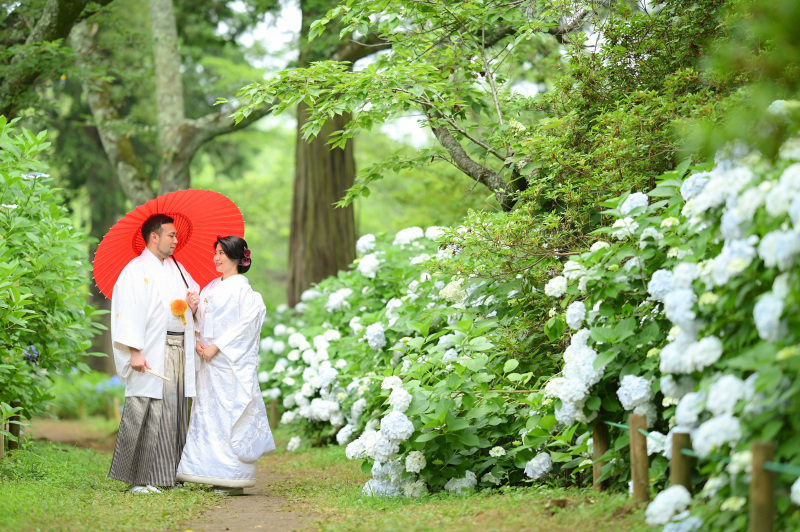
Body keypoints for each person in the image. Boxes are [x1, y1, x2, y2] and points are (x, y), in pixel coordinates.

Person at [108, 214, 201, 494]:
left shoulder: (178, 268)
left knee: (173, 412)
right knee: (147, 409)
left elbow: (188, 305)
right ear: (154, 236)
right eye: (171, 235)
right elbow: (129, 312)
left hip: (177, 347)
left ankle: (166, 475)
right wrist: (134, 351)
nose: (176, 240)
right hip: (149, 349)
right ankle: (140, 478)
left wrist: (193, 305)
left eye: (176, 236)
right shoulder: (135, 270)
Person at [176, 236, 275, 494]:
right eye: (216, 252)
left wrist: (215, 346)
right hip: (209, 364)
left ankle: (233, 479)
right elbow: (204, 321)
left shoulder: (244, 291)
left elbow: (245, 327)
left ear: (237, 258)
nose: (217, 258)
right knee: (208, 417)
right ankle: (210, 473)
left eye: (222, 253)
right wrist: (196, 310)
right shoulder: (209, 287)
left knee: (229, 417)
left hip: (230, 364)